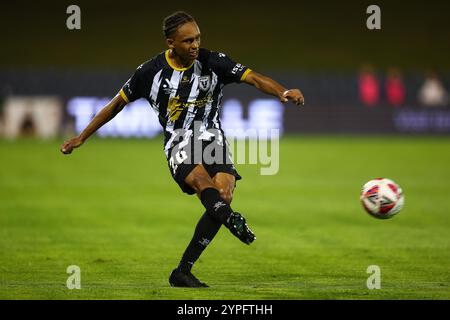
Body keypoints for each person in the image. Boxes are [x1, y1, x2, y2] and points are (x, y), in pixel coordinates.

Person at [60, 11, 304, 288]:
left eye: (198, 38)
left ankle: (183, 271)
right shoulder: (150, 72)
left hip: (212, 138)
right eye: (188, 40)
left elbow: (254, 78)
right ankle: (229, 219)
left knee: (224, 192)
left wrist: (282, 92)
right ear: (170, 43)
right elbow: (116, 104)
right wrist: (82, 137)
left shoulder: (213, 62)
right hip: (178, 140)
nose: (195, 45)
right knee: (202, 182)